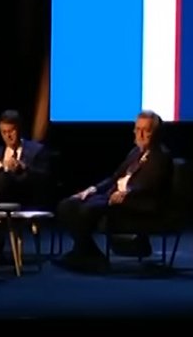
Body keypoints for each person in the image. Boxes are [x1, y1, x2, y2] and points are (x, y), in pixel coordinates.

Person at [55, 111, 172, 272]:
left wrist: (128, 192)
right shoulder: (135, 153)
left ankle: (86, 255)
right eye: (137, 129)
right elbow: (114, 177)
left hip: (135, 202)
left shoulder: (161, 156)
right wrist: (91, 190)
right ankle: (88, 252)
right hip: (112, 196)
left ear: (156, 133)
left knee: (87, 209)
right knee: (67, 205)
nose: (140, 134)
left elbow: (151, 185)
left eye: (146, 130)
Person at [0, 109, 52, 205]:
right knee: (0, 176)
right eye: (4, 132)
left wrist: (23, 168)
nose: (8, 136)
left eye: (11, 131)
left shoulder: (36, 150)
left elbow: (45, 178)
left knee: (6, 176)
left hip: (24, 199)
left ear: (20, 129)